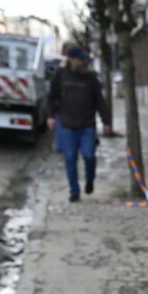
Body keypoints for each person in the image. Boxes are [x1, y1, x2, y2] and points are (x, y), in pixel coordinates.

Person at [46, 46, 112, 202]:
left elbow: (100, 101)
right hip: (67, 125)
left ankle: (90, 180)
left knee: (89, 156)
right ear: (71, 59)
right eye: (81, 59)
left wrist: (106, 121)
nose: (84, 62)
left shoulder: (91, 78)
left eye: (85, 60)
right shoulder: (60, 75)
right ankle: (74, 191)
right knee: (70, 159)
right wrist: (50, 116)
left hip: (87, 126)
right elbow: (51, 97)